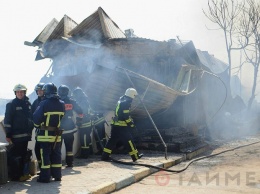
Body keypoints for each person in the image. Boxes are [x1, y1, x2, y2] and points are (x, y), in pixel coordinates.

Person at [33, 83, 65, 183]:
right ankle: (57, 175)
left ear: (46, 92)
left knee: (45, 157)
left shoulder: (44, 103)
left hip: (44, 136)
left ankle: (45, 177)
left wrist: (38, 126)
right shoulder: (61, 103)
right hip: (57, 136)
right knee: (56, 155)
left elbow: (36, 119)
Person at [101, 88, 143, 162]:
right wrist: (131, 125)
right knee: (129, 141)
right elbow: (125, 116)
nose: (134, 98)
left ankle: (104, 156)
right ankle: (135, 156)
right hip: (122, 127)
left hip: (115, 125)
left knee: (112, 141)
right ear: (132, 95)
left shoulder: (121, 100)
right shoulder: (126, 103)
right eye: (134, 96)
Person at [4, 84, 34, 181]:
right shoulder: (11, 104)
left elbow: (30, 118)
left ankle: (23, 174)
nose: (20, 93)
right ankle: (15, 176)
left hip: (26, 136)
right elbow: (7, 121)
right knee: (15, 156)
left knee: (24, 155)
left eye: (21, 92)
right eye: (18, 92)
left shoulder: (28, 104)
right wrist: (8, 134)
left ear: (24, 92)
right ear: (15, 93)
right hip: (15, 136)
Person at [72, 87, 107, 158]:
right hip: (87, 122)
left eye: (75, 95)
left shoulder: (83, 101)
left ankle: (85, 154)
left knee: (84, 138)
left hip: (85, 122)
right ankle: (90, 152)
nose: (75, 97)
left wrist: (79, 120)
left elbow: (82, 112)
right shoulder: (83, 100)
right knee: (87, 138)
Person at [58, 85, 83, 167]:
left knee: (57, 148)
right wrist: (79, 120)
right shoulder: (72, 101)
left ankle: (57, 163)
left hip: (59, 128)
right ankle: (70, 163)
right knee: (69, 148)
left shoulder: (56, 101)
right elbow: (80, 111)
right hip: (70, 128)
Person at [31, 82, 45, 171]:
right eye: (38, 90)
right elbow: (31, 114)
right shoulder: (35, 102)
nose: (39, 92)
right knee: (37, 150)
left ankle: (46, 170)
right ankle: (41, 168)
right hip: (39, 131)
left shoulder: (48, 101)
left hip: (48, 131)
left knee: (46, 152)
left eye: (41, 90)